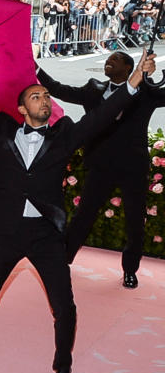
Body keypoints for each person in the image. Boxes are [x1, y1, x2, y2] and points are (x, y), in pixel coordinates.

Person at [0, 46, 154, 373]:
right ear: (21, 108)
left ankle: (63, 367)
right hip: (5, 233)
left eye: (46, 95)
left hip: (46, 235)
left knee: (64, 305)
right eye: (35, 96)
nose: (44, 99)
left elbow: (103, 115)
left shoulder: (64, 136)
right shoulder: (1, 133)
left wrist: (135, 80)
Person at [36, 52, 165, 288]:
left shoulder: (146, 91)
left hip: (133, 168)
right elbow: (57, 88)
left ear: (129, 67)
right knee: (83, 216)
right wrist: (33, 68)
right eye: (109, 58)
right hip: (100, 166)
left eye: (116, 59)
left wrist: (151, 75)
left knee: (135, 222)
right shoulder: (93, 89)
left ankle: (130, 270)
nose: (109, 61)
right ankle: (62, 261)